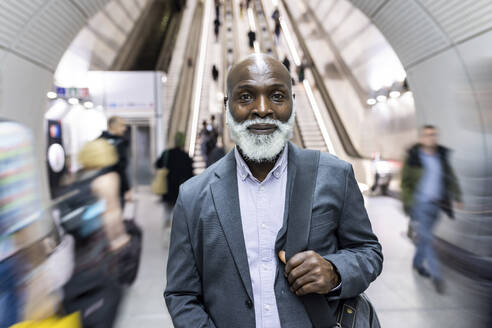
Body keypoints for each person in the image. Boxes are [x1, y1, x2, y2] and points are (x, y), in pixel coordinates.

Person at [165, 54, 383, 327]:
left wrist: (335, 272)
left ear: (292, 103)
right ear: (226, 105)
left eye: (277, 96)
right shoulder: (193, 196)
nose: (262, 109)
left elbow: (368, 251)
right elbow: (181, 293)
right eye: (245, 97)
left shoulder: (334, 175)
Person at [401, 125, 462, 293]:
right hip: (420, 204)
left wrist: (457, 196)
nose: (431, 138)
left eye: (433, 135)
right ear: (421, 138)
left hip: (437, 205)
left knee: (424, 238)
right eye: (427, 135)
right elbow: (405, 182)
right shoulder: (414, 157)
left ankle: (417, 263)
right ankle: (437, 276)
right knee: (427, 238)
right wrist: (408, 202)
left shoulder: (440, 157)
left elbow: (450, 178)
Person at [155, 132, 194, 226]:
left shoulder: (167, 153)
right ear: (183, 142)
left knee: (167, 211)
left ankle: (166, 230)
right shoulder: (186, 157)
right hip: (181, 191)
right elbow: (191, 175)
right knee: (181, 214)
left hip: (167, 188)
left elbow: (157, 164)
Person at [99, 116, 131, 209]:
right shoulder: (119, 143)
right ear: (112, 125)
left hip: (100, 187)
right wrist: (126, 189)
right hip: (116, 187)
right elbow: (120, 169)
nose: (124, 129)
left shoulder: (99, 140)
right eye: (122, 125)